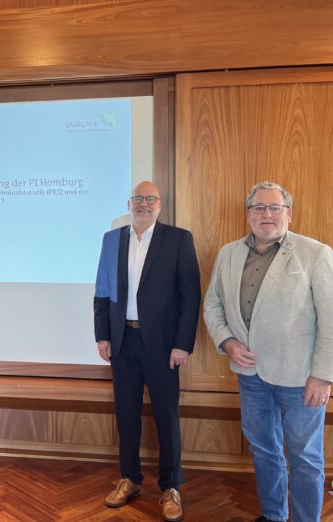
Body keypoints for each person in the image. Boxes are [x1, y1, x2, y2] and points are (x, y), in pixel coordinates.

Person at [203, 181, 333, 522]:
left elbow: (331, 319)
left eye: (275, 207)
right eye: (259, 208)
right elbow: (213, 305)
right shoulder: (228, 253)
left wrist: (322, 376)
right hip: (250, 377)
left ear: (288, 213)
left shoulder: (315, 254)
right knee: (264, 451)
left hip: (300, 379)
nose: (267, 214)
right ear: (248, 214)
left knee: (305, 458)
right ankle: (274, 515)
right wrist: (227, 342)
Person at [94, 181, 201, 522]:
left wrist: (182, 344)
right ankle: (130, 478)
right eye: (138, 198)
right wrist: (102, 336)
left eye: (150, 198)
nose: (143, 203)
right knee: (126, 416)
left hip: (163, 346)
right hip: (122, 342)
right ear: (129, 203)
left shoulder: (178, 239)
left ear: (160, 204)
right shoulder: (112, 240)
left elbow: (190, 296)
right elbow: (102, 291)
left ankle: (170, 487)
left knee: (166, 417)